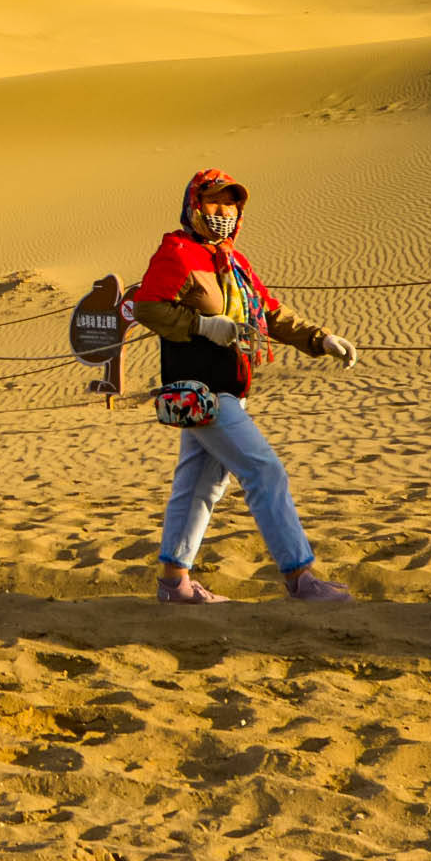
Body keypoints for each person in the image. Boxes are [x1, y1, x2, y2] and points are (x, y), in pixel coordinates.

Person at [126, 169, 360, 605]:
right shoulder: (177, 253)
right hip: (203, 391)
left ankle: (175, 584)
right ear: (194, 205)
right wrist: (201, 325)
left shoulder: (234, 262)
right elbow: (147, 307)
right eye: (213, 202)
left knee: (200, 485)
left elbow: (268, 312)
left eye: (231, 204)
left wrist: (320, 339)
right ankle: (300, 577)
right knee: (263, 470)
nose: (223, 212)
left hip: (229, 388)